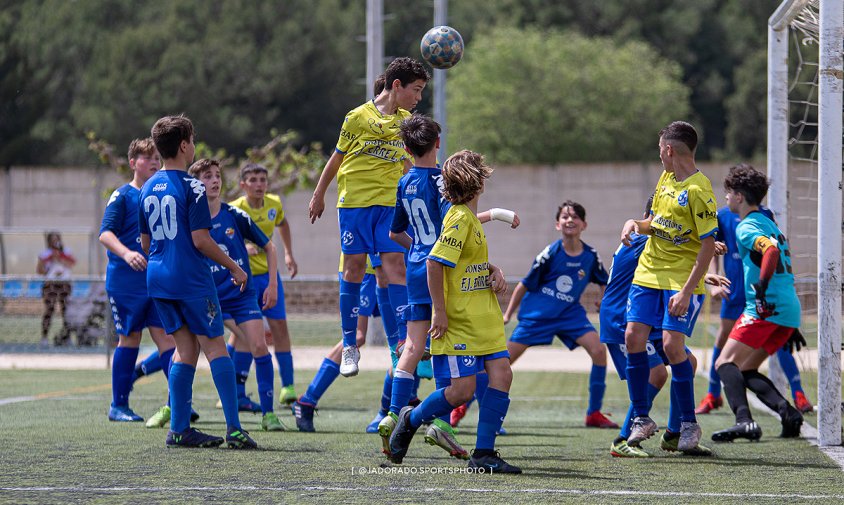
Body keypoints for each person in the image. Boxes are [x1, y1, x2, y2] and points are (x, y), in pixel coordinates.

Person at [388, 149, 521, 474]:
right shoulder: (460, 218)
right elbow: (435, 262)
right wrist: (440, 313)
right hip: (459, 319)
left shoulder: (469, 218)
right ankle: (411, 418)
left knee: (503, 375)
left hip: (483, 316)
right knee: (462, 390)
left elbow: (464, 261)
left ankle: (484, 454)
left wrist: (491, 270)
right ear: (478, 184)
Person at [308, 57, 431, 377]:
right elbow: (337, 159)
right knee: (354, 267)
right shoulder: (357, 117)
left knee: (394, 268)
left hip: (390, 205)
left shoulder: (407, 123)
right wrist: (319, 194)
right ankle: (350, 345)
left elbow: (409, 164)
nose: (418, 98)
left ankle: (405, 342)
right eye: (415, 91)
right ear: (396, 86)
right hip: (355, 205)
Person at [140, 114, 255, 449]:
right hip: (190, 279)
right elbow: (202, 240)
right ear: (184, 145)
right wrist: (235, 267)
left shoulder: (147, 187)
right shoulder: (193, 187)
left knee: (185, 349)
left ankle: (179, 429)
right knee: (216, 347)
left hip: (158, 278)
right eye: (192, 140)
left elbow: (145, 244)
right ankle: (234, 428)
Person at [620, 121, 718, 451]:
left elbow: (707, 245)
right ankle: (642, 419)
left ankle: (688, 424)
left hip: (680, 280)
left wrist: (688, 291)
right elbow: (656, 225)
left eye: (660, 149)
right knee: (633, 336)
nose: (659, 155)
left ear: (668, 150)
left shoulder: (699, 190)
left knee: (673, 347)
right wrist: (636, 223)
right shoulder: (665, 179)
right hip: (648, 273)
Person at [602, 197, 723, 457]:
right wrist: (704, 248)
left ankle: (673, 434)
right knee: (657, 374)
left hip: (647, 319)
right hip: (622, 320)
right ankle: (623, 439)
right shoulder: (646, 239)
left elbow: (674, 262)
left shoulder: (651, 242)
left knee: (687, 362)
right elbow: (676, 252)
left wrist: (704, 272)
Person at [696, 175, 813, 415]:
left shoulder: (753, 220)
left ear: (739, 196)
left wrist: (762, 285)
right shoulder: (725, 216)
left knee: (727, 362)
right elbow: (712, 250)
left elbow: (771, 250)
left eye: (729, 191)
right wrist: (714, 281)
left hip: (760, 293)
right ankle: (713, 395)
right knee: (730, 346)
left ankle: (789, 396)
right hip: (738, 290)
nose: (726, 196)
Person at [189, 158, 286, 432]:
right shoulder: (190, 220)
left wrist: (273, 286)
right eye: (208, 176)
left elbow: (270, 247)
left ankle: (269, 415)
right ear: (196, 183)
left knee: (259, 346)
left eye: (217, 175)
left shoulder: (234, 215)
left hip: (242, 294)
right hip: (209, 296)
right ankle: (174, 406)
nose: (215, 180)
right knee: (188, 352)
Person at [502, 200, 616, 429]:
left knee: (598, 350)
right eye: (565, 216)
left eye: (575, 216)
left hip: (569, 314)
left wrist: (604, 300)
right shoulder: (550, 253)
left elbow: (605, 282)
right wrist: (508, 314)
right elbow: (525, 284)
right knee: (501, 364)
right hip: (538, 315)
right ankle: (464, 406)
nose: (570, 220)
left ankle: (594, 413)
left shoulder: (591, 256)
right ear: (557, 224)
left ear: (584, 224)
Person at [99, 138, 177, 426]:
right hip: (125, 282)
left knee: (167, 338)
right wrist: (127, 252)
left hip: (155, 280)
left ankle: (177, 402)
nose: (155, 162)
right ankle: (118, 405)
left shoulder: (159, 195)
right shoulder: (122, 196)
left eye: (157, 157)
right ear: (133, 163)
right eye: (147, 158)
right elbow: (105, 234)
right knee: (129, 338)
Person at [229, 162, 299, 406]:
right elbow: (224, 238)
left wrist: (288, 254)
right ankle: (232, 388)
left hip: (269, 277)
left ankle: (288, 387)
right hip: (244, 280)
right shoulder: (235, 209)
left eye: (262, 180)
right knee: (243, 334)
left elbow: (283, 224)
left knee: (280, 328)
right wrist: (242, 248)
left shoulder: (274, 204)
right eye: (253, 180)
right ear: (243, 185)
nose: (259, 184)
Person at [37, 231, 76, 346]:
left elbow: (71, 263)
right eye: (52, 240)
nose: (55, 242)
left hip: (64, 283)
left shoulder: (66, 252)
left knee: (66, 310)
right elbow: (40, 271)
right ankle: (44, 337)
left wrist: (59, 258)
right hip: (51, 284)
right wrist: (48, 260)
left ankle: (67, 336)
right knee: (49, 310)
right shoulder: (45, 254)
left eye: (57, 239)